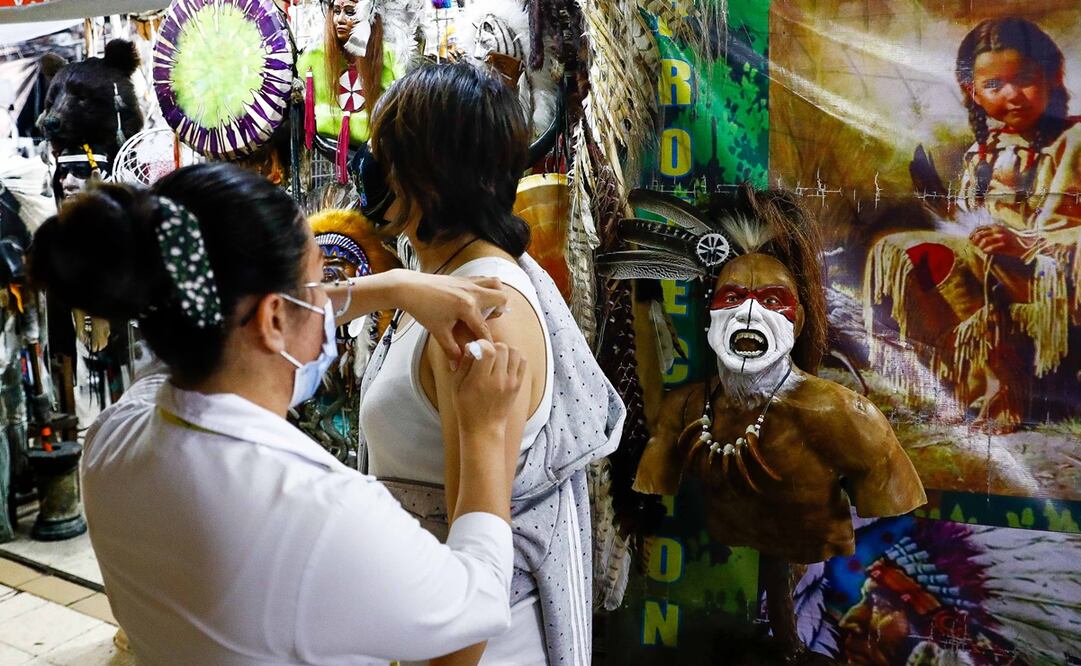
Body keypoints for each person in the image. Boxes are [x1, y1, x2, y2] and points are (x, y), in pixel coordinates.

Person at [28, 162, 527, 664]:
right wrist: (483, 430)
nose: (328, 302)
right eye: (318, 285)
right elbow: (473, 610)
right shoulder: (316, 509)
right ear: (270, 318)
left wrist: (393, 287)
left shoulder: (115, 435)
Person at [359, 62, 625, 666]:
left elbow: (468, 572)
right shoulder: (440, 283)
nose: (369, 171)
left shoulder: (481, 316)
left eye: (382, 154)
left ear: (422, 175)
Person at [867, 17, 1080, 429]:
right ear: (974, 93)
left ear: (1051, 77)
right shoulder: (984, 153)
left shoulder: (1073, 143)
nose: (1012, 95)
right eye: (994, 86)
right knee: (910, 252)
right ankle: (959, 383)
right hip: (994, 268)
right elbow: (969, 225)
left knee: (978, 256)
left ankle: (1006, 391)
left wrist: (1024, 243)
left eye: (1023, 79)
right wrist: (936, 198)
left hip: (1055, 280)